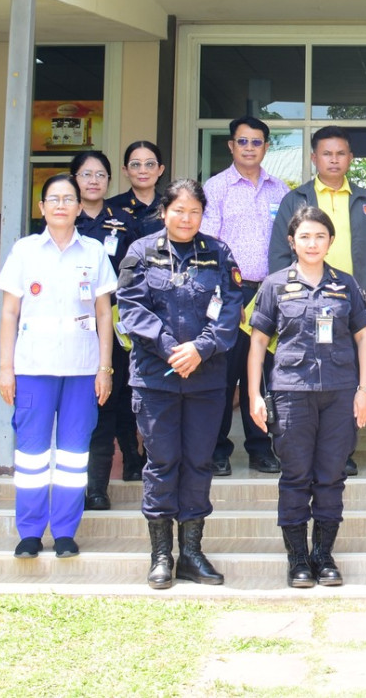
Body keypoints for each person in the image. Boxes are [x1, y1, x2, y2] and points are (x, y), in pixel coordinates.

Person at [116, 179, 243, 588]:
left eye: (195, 212)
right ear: (164, 212)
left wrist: (200, 349)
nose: (187, 219)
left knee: (198, 462)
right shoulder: (141, 252)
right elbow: (131, 309)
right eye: (179, 211)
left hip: (205, 379)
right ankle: (161, 556)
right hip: (156, 379)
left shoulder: (218, 253)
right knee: (162, 462)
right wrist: (173, 349)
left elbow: (230, 309)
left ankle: (191, 553)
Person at [248, 206, 366, 587]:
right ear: (292, 242)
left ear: (331, 241)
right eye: (304, 236)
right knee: (295, 476)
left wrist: (365, 390)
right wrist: (255, 395)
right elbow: (258, 343)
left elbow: (364, 339)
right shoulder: (274, 285)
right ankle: (298, 559)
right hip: (291, 394)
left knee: (331, 475)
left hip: (339, 394)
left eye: (320, 236)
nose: (312, 243)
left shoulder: (346, 284)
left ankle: (323, 555)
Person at [0, 172, 115, 559]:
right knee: (31, 455)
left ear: (80, 207)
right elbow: (9, 313)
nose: (61, 205)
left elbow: (104, 315)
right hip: (33, 367)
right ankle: (30, 532)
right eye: (54, 199)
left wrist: (105, 368)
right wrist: (5, 368)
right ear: (41, 207)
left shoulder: (94, 251)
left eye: (68, 199)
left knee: (73, 456)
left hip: (82, 369)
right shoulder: (24, 251)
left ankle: (65, 531)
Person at [267, 125, 366, 478]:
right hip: (305, 304)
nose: (334, 160)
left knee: (345, 377)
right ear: (314, 157)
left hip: (349, 305)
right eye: (327, 153)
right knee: (306, 376)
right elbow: (279, 254)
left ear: (351, 158)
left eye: (341, 153)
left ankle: (342, 452)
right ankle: (300, 451)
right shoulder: (296, 199)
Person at [202, 116, 288, 476]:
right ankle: (217, 449)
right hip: (230, 293)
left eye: (256, 142)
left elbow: (289, 243)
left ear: (266, 147)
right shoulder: (216, 187)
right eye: (242, 141)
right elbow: (208, 246)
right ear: (231, 145)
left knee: (266, 375)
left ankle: (261, 447)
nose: (249, 148)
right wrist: (226, 294)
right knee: (224, 376)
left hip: (269, 294)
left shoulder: (280, 190)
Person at [85, 140, 166, 510]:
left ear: (160, 169)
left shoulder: (138, 216)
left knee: (140, 389)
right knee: (110, 395)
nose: (143, 170)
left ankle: (144, 459)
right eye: (135, 164)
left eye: (150, 163)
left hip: (131, 314)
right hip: (89, 319)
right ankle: (121, 464)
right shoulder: (111, 209)